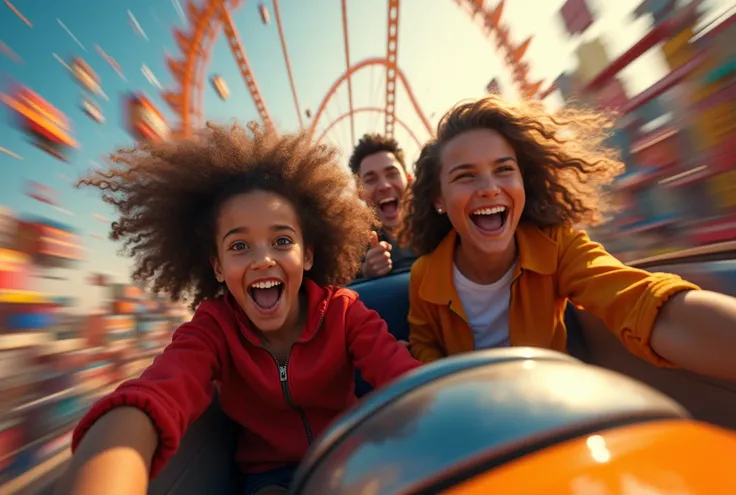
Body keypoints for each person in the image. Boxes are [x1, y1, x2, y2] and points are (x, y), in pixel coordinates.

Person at [56, 122, 422, 495]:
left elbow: (403, 376)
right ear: (217, 265)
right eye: (239, 246)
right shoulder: (214, 328)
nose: (263, 259)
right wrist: (110, 458)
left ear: (307, 254)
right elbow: (159, 391)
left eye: (281, 240)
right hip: (270, 477)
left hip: (348, 459)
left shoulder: (344, 312)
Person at [399, 95, 736, 381]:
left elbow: (638, 300)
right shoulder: (424, 276)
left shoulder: (558, 247)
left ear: (523, 182)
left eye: (504, 170)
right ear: (439, 200)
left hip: (553, 405)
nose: (489, 188)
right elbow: (426, 350)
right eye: (465, 176)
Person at [348, 133, 418, 279]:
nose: (384, 186)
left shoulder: (442, 229)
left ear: (409, 179)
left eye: (392, 174)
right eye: (371, 179)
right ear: (359, 192)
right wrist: (364, 274)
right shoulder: (352, 252)